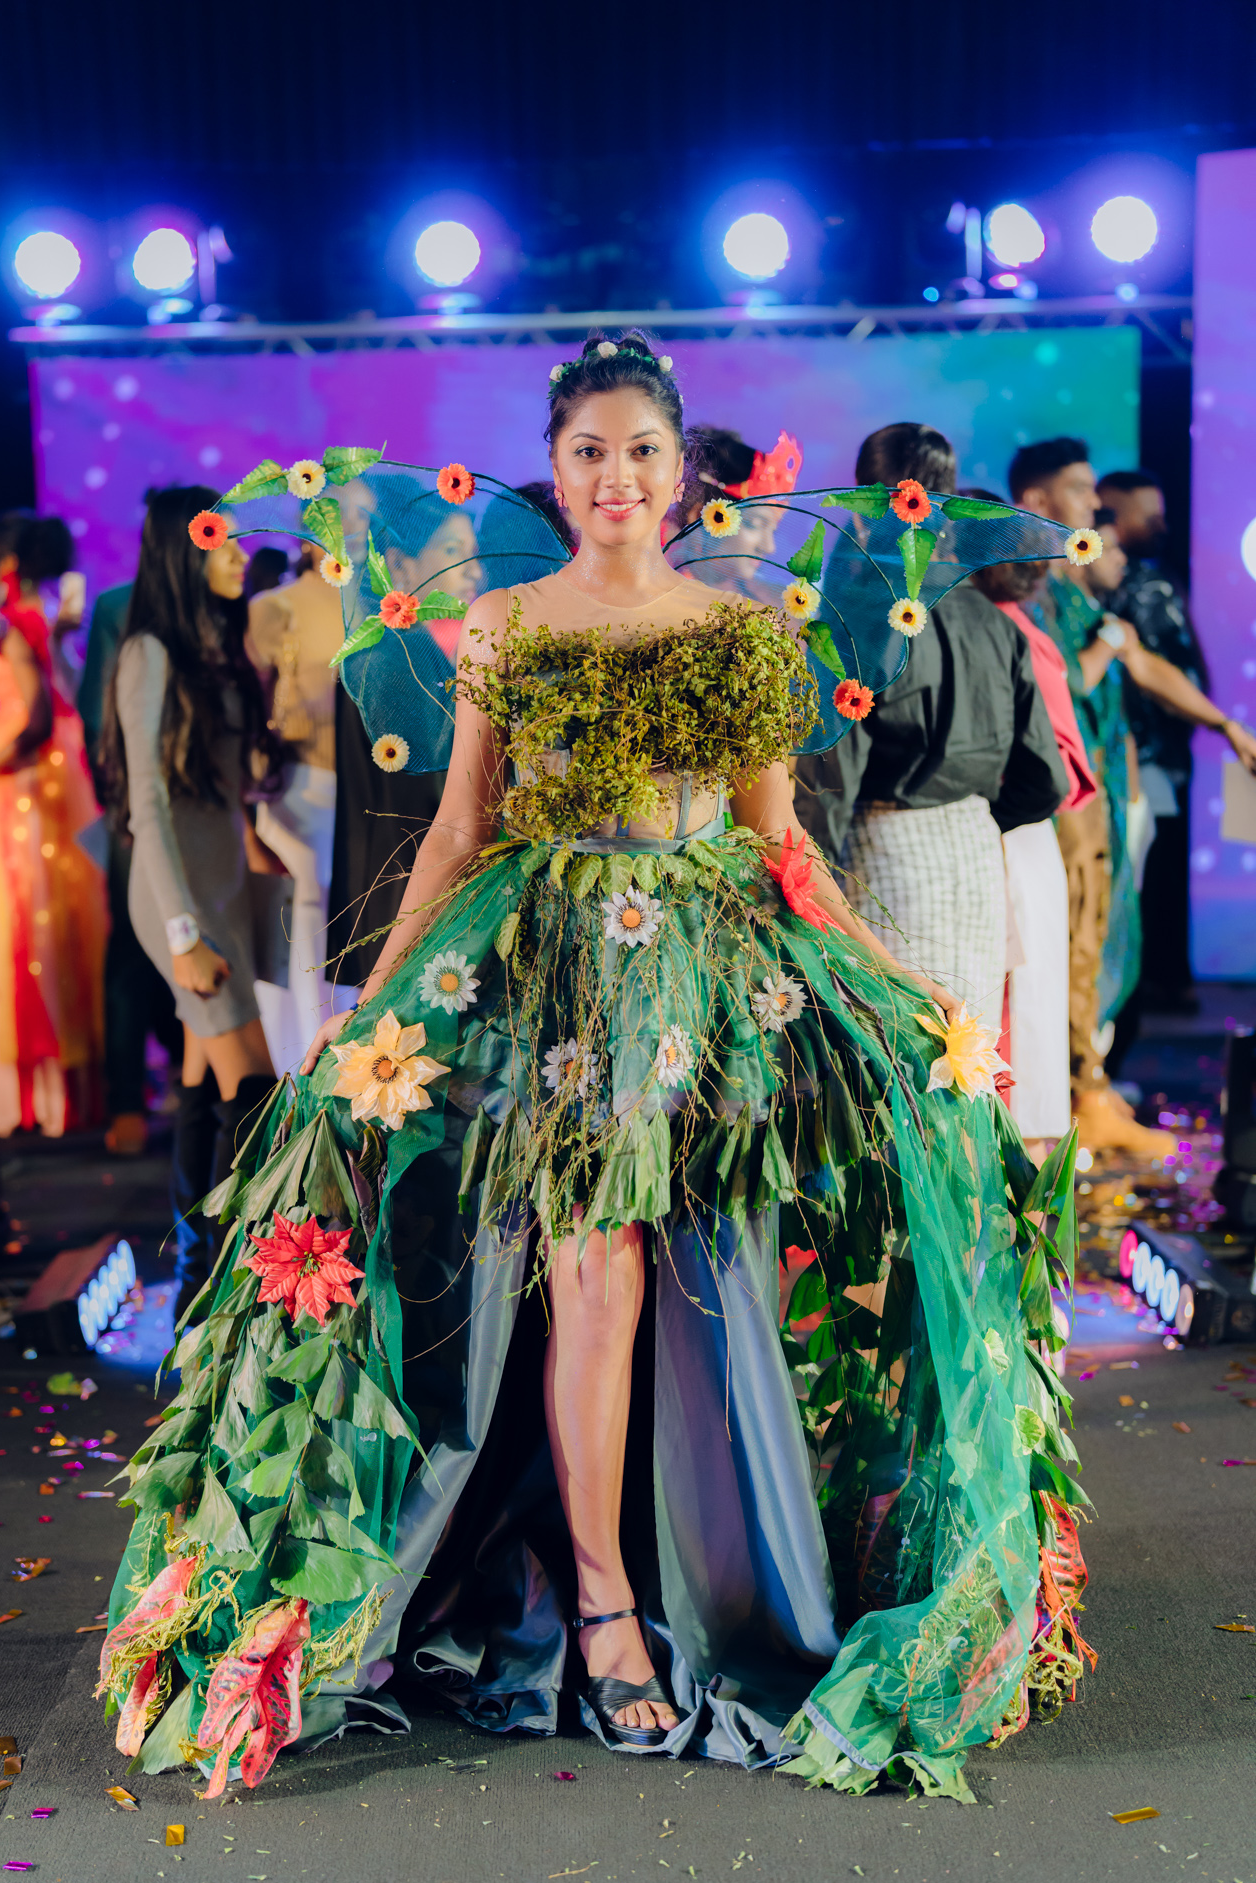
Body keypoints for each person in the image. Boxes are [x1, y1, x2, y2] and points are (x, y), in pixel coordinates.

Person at [98, 334, 1088, 1805]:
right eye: (587, 452)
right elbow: (456, 828)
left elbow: (778, 838)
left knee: (715, 1273)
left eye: (640, 451)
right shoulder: (500, 625)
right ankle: (608, 1605)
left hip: (704, 985)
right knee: (596, 1272)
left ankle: (722, 1570)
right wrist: (373, 1009)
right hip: (549, 980)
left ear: (679, 473)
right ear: (553, 473)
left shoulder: (742, 630)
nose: (615, 476)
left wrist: (898, 991)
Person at [795, 423, 1068, 1032]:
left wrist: (808, 883)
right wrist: (974, 817)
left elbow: (833, 776)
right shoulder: (995, 621)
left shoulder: (860, 616)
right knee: (967, 1050)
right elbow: (1047, 781)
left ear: (864, 501)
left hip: (883, 846)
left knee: (894, 1049)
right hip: (976, 849)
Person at [101, 486, 282, 1319]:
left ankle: (198, 1287)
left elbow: (227, 786)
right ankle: (229, 1285)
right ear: (185, 548)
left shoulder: (216, 644)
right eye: (221, 541)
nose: (239, 555)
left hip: (224, 886)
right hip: (177, 897)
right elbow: (146, 802)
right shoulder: (150, 650)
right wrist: (183, 935)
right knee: (254, 1087)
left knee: (206, 1083)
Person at [1010, 441, 1164, 1157]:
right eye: (1078, 489)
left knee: (1092, 932)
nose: (1095, 504)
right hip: (1063, 799)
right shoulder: (1034, 587)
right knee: (1072, 936)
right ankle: (1078, 1095)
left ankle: (1087, 1087)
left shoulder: (1070, 588)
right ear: (1037, 502)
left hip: (1093, 793)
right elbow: (1062, 684)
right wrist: (1108, 646)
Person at [0, 512, 107, 1139]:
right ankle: (70, 1092)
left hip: (21, 790)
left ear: (7, 563)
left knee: (19, 928)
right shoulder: (45, 619)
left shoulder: (11, 624)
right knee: (58, 929)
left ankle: (36, 1099)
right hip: (54, 783)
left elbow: (21, 712)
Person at [970, 530, 1098, 1154]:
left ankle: (1013, 1164)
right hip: (1017, 831)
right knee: (1017, 999)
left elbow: (1057, 771)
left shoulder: (999, 629)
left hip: (1009, 833)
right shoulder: (1008, 627)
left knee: (1016, 1001)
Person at [327, 477, 482, 987]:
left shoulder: (407, 652)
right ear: (399, 565)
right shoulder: (395, 662)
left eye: (473, 553)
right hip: (406, 893)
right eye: (453, 552)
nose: (474, 571)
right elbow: (428, 800)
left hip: (410, 888)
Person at [246, 488, 375, 1074]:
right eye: (350, 514)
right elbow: (248, 707)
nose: (360, 525)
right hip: (302, 786)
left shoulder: (381, 602)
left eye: (367, 514)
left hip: (364, 790)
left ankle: (347, 1059)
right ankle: (300, 1067)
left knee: (350, 921)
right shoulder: (278, 607)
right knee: (304, 922)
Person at [1097, 469, 1233, 1014]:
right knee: (1144, 877)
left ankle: (1155, 984)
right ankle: (1149, 987)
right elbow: (1151, 672)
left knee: (1153, 872)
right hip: (1140, 761)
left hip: (1153, 760)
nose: (1161, 526)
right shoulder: (1135, 585)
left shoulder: (1144, 581)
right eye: (1148, 516)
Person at [77, 563, 181, 1157]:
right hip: (137, 802)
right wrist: (122, 804)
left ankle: (187, 1081)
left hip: (198, 808)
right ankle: (126, 1101)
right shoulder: (121, 604)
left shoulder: (211, 600)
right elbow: (97, 713)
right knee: (132, 949)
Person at [674, 427, 800, 597]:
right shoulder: (648, 586)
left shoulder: (773, 602)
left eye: (774, 530)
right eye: (755, 524)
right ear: (701, 517)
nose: (769, 547)